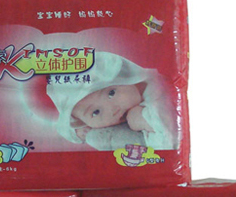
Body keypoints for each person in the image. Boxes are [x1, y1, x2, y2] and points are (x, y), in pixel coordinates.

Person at [47, 52, 177, 151]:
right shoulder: (107, 126)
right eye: (95, 112)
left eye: (111, 93)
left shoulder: (156, 93)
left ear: (128, 78)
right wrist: (82, 131)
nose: (113, 110)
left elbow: (171, 141)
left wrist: (144, 118)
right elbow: (71, 132)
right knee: (95, 137)